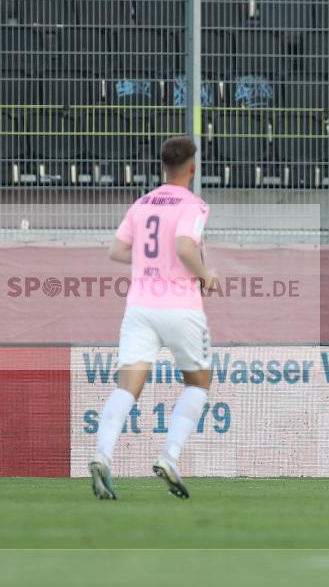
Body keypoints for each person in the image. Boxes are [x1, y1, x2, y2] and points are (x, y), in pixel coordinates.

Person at [89, 136, 217, 500]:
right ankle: (169, 456)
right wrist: (205, 274)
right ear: (192, 167)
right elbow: (183, 246)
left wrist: (150, 264)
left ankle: (102, 454)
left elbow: (117, 250)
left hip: (140, 306)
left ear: (163, 166)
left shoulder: (143, 203)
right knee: (197, 382)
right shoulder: (193, 204)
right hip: (180, 306)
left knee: (127, 385)